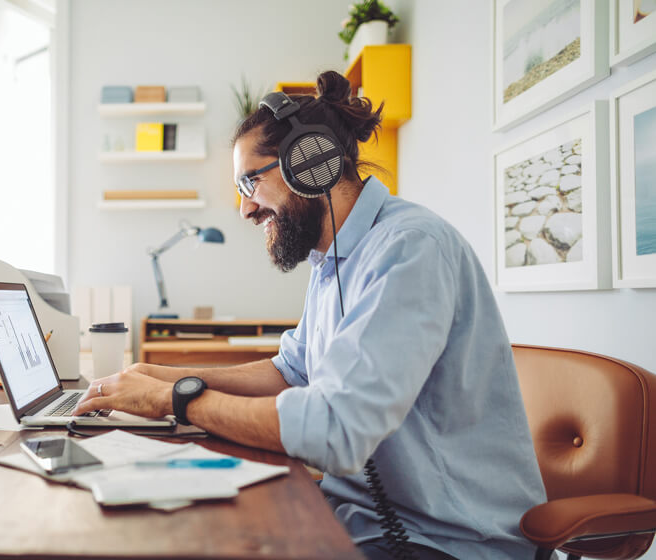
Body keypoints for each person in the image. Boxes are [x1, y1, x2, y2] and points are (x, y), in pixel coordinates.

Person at [74, 70, 546, 559]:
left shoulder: (410, 250)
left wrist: (172, 399)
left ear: (310, 163)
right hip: (356, 516)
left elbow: (333, 431)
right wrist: (163, 375)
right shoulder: (332, 258)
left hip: (445, 540)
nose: (244, 209)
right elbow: (292, 371)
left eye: (248, 182)